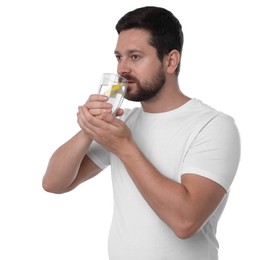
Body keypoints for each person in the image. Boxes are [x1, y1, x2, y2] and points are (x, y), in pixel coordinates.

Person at [43, 6, 241, 260]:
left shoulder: (213, 125)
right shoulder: (126, 123)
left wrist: (124, 147)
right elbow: (54, 183)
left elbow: (185, 222)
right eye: (118, 57)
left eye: (135, 57)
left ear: (170, 61)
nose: (122, 69)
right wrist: (89, 128)